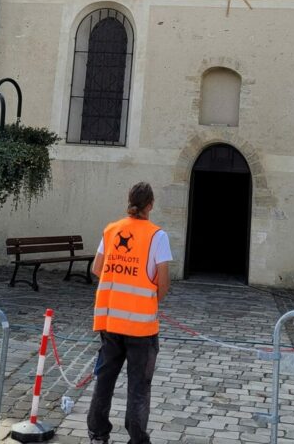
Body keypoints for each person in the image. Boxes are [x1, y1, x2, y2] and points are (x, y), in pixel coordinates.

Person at [87, 182, 172, 444]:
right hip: (142, 328)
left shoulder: (111, 230)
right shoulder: (157, 236)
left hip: (110, 322)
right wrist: (147, 299)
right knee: (138, 386)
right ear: (151, 205)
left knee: (105, 380)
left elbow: (97, 269)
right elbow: (163, 282)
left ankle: (98, 433)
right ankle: (136, 439)